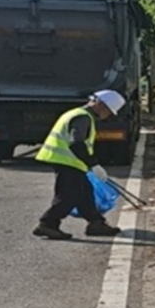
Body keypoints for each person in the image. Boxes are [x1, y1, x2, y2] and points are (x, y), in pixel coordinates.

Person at [32, 90, 126, 240]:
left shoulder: (78, 114)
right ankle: (48, 224)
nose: (108, 116)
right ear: (100, 105)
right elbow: (76, 143)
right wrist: (93, 164)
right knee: (69, 195)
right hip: (67, 161)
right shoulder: (82, 118)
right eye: (108, 111)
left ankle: (96, 223)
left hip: (69, 160)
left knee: (85, 192)